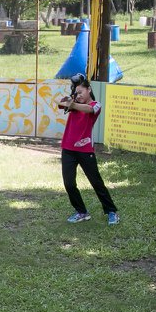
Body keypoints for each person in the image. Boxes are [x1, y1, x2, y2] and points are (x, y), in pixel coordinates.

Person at [58, 77, 119, 225]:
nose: (78, 95)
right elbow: (60, 103)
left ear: (89, 89)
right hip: (68, 149)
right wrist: (71, 100)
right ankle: (81, 212)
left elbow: (89, 109)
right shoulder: (74, 103)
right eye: (76, 92)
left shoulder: (95, 105)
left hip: (85, 150)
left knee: (96, 182)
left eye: (81, 92)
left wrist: (73, 104)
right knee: (69, 183)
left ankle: (111, 211)